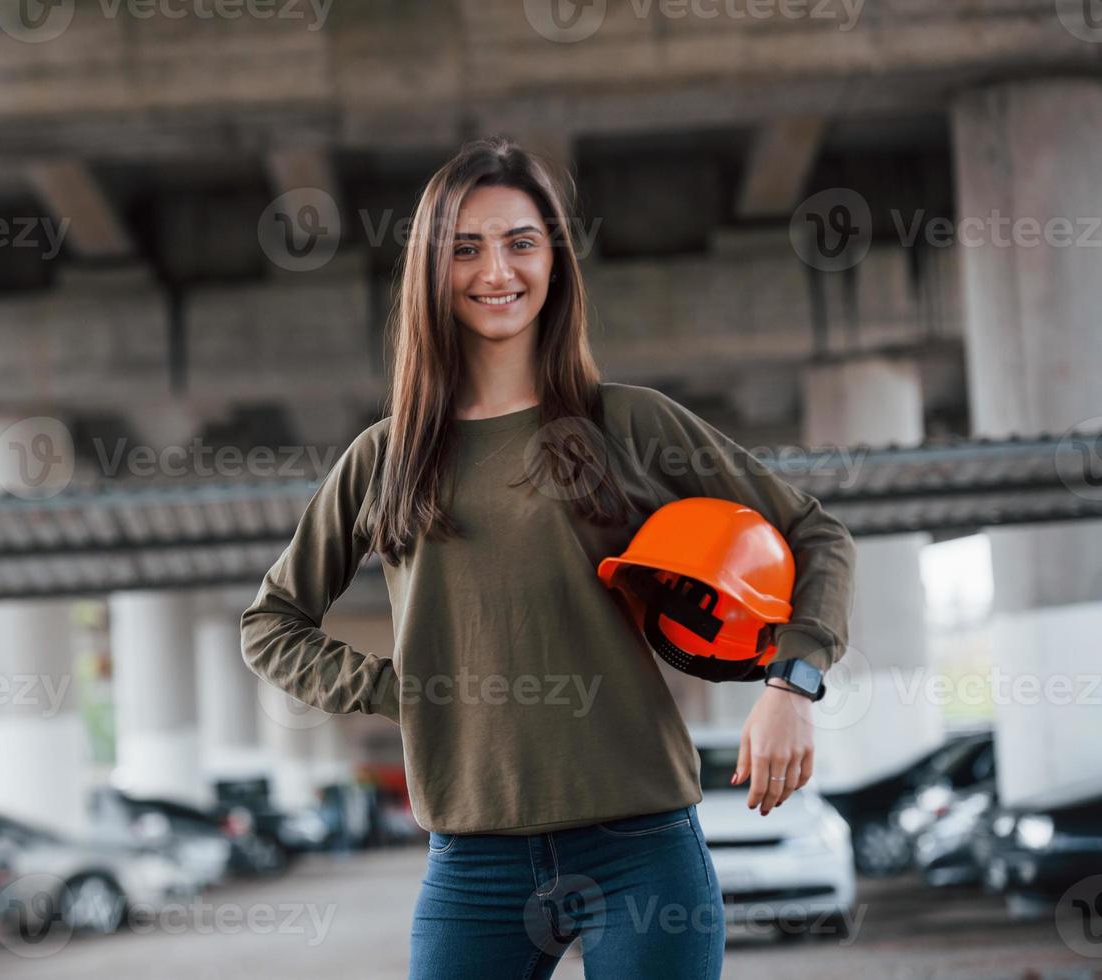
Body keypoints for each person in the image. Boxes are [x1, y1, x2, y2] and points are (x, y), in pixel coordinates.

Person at [239, 135, 857, 979]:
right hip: (473, 859)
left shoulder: (629, 423)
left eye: (520, 242)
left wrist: (793, 683)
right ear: (432, 270)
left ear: (555, 261)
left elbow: (814, 533)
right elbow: (269, 624)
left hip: (640, 846)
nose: (497, 270)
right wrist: (395, 690)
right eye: (466, 247)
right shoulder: (385, 457)